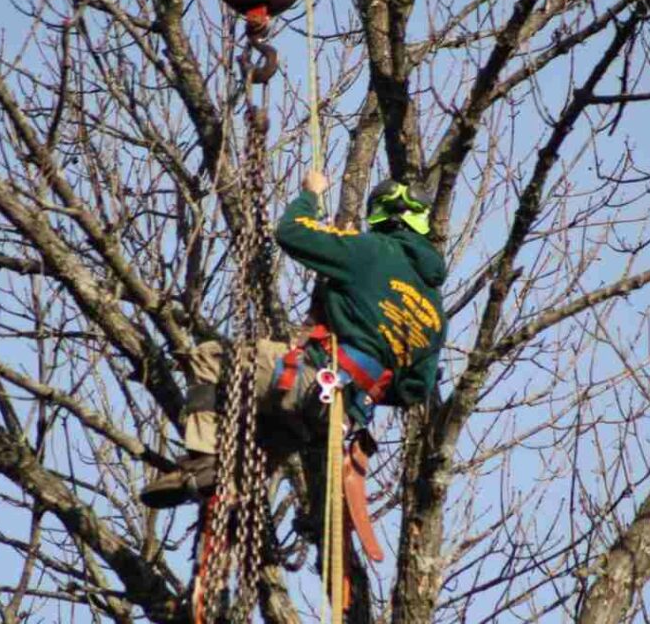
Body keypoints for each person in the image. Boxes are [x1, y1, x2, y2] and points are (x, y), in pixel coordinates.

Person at [139, 170, 447, 508]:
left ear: (382, 215)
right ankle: (234, 493)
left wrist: (310, 194)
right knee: (258, 440)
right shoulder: (435, 312)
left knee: (211, 357)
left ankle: (203, 463)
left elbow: (292, 232)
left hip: (314, 382)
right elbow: (413, 390)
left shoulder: (371, 250)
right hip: (339, 417)